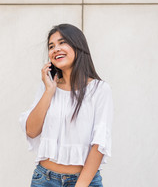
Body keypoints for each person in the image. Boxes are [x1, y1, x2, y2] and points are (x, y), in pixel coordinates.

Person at [19, 24, 113, 187]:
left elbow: (99, 144)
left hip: (84, 182)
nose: (56, 49)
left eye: (62, 43)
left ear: (78, 46)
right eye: (51, 46)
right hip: (44, 180)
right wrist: (49, 91)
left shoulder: (99, 89)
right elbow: (31, 131)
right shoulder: (46, 87)